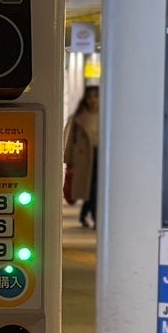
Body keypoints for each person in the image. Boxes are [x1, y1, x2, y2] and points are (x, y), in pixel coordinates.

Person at [61, 84, 100, 229]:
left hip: (100, 155)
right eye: (90, 97)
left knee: (95, 188)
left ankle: (87, 215)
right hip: (84, 158)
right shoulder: (78, 117)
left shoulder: (107, 116)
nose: (93, 100)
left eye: (96, 96)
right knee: (91, 188)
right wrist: (68, 159)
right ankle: (93, 216)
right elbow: (70, 139)